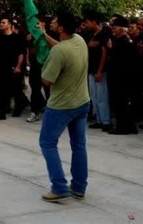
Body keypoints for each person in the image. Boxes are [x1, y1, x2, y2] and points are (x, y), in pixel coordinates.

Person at [39, 13, 90, 202]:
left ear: (61, 28)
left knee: (47, 143)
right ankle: (79, 187)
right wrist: (43, 34)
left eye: (54, 21)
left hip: (61, 105)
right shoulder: (79, 40)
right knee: (79, 145)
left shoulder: (59, 52)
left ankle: (59, 186)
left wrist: (42, 61)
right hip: (82, 102)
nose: (51, 23)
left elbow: (47, 80)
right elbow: (60, 47)